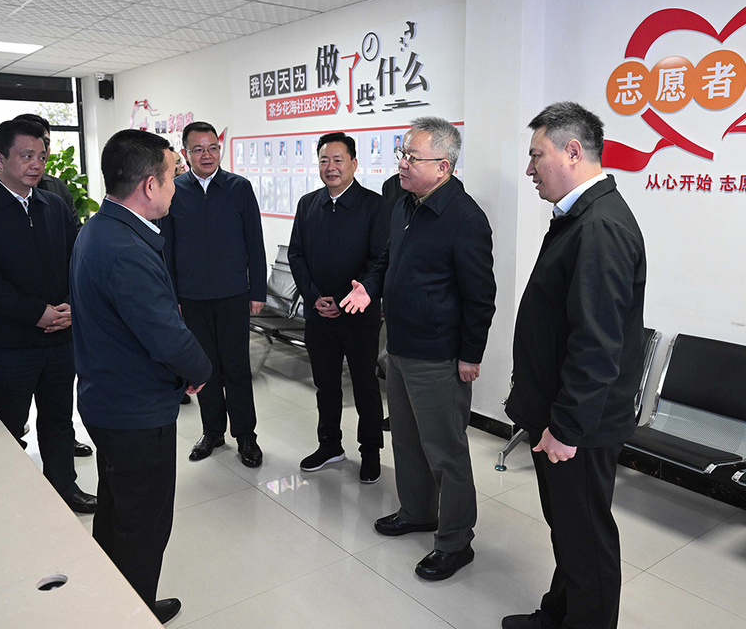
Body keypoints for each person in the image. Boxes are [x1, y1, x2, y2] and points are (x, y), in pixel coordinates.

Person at [502, 102, 646, 629]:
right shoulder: (581, 217)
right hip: (562, 414)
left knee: (586, 537)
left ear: (572, 151)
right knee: (569, 529)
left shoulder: (600, 227)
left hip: (579, 424)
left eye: (536, 155)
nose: (529, 169)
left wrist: (566, 427)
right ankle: (559, 613)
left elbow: (596, 344)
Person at [342, 116, 496, 581]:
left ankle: (455, 541)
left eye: (412, 157)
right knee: (407, 440)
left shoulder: (465, 219)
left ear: (443, 167)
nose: (402, 164)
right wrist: (370, 287)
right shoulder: (404, 204)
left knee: (445, 451)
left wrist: (470, 355)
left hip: (439, 354)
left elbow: (480, 296)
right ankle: (417, 511)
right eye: (402, 154)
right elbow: (387, 259)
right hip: (401, 346)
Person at [72, 129, 211, 625]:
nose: (176, 186)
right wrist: (200, 370)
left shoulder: (100, 227)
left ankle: (113, 603)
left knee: (117, 510)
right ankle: (132, 615)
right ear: (150, 185)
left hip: (107, 397)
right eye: (173, 176)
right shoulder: (125, 246)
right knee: (143, 525)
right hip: (134, 410)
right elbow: (167, 336)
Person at [0, 118, 96, 514]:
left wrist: (69, 304)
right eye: (27, 155)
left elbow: (76, 261)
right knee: (7, 426)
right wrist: (36, 313)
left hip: (59, 336)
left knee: (59, 419)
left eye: (42, 156)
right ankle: (5, 500)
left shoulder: (54, 205)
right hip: (8, 342)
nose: (37, 164)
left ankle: (64, 488)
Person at [160, 120, 266, 468]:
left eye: (213, 148)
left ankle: (246, 436)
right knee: (203, 369)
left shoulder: (239, 187)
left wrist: (257, 290)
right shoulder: (174, 190)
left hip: (233, 294)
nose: (207, 155)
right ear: (185, 153)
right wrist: (172, 296)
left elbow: (254, 242)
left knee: (237, 368)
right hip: (190, 298)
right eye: (198, 149)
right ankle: (213, 432)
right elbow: (167, 249)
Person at [288, 132, 389, 482]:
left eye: (337, 160)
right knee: (326, 385)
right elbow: (296, 254)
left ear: (354, 164)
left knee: (365, 385)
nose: (330, 167)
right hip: (318, 314)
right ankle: (329, 444)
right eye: (324, 160)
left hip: (359, 316)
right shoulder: (308, 204)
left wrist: (346, 301)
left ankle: (370, 451)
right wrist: (314, 296)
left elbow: (379, 261)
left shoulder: (375, 206)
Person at [0, 113, 81, 229]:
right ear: (0, 159)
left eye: (46, 143)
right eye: (28, 156)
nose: (36, 165)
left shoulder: (57, 194)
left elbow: (75, 234)